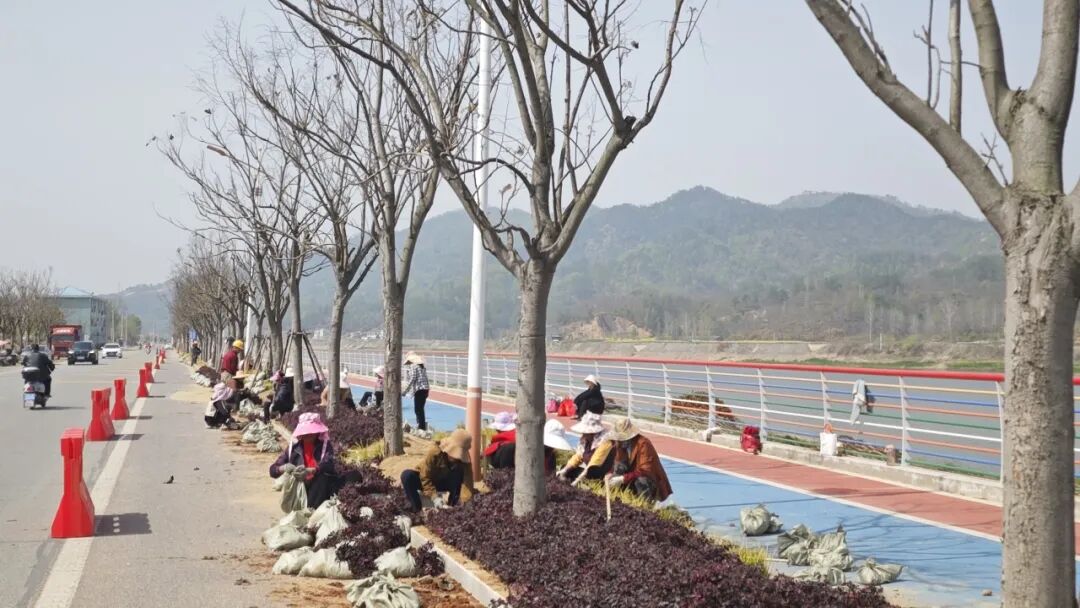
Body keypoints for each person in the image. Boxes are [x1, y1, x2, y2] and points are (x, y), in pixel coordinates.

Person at [269, 412, 360, 509]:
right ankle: (311, 507)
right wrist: (283, 468)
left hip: (322, 487)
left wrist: (311, 470)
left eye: (311, 431)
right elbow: (272, 471)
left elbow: (328, 464)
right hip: (303, 490)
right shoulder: (294, 449)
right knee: (322, 478)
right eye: (305, 432)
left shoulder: (324, 446)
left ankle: (315, 505)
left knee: (353, 475)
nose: (308, 434)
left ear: (317, 432)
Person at [401, 429, 475, 512]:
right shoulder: (435, 452)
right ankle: (416, 510)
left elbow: (467, 486)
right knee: (407, 476)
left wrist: (464, 506)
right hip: (429, 480)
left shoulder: (465, 462)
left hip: (446, 483)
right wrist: (434, 497)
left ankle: (453, 508)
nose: (455, 457)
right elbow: (425, 476)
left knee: (459, 474)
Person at [605, 419, 673, 503]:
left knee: (641, 481)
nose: (620, 440)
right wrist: (610, 473)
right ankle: (616, 502)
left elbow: (645, 470)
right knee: (614, 476)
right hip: (631, 476)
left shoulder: (643, 443)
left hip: (649, 479)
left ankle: (645, 505)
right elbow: (618, 463)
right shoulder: (620, 444)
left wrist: (623, 478)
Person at [487, 418, 573, 474]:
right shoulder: (511, 450)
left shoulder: (551, 456)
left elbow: (549, 478)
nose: (550, 448)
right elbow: (505, 475)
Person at [557, 412, 616, 485]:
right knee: (565, 469)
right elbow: (578, 456)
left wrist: (576, 481)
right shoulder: (586, 440)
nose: (583, 434)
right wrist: (565, 470)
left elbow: (593, 464)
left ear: (592, 432)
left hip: (601, 474)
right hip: (589, 471)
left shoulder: (605, 441)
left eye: (585, 432)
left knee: (582, 477)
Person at [403, 352, 430, 430]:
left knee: (418, 409)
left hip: (419, 389)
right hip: (425, 389)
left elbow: (412, 378)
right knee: (420, 409)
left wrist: (405, 391)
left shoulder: (413, 366)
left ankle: (421, 427)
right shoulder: (421, 366)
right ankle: (421, 426)